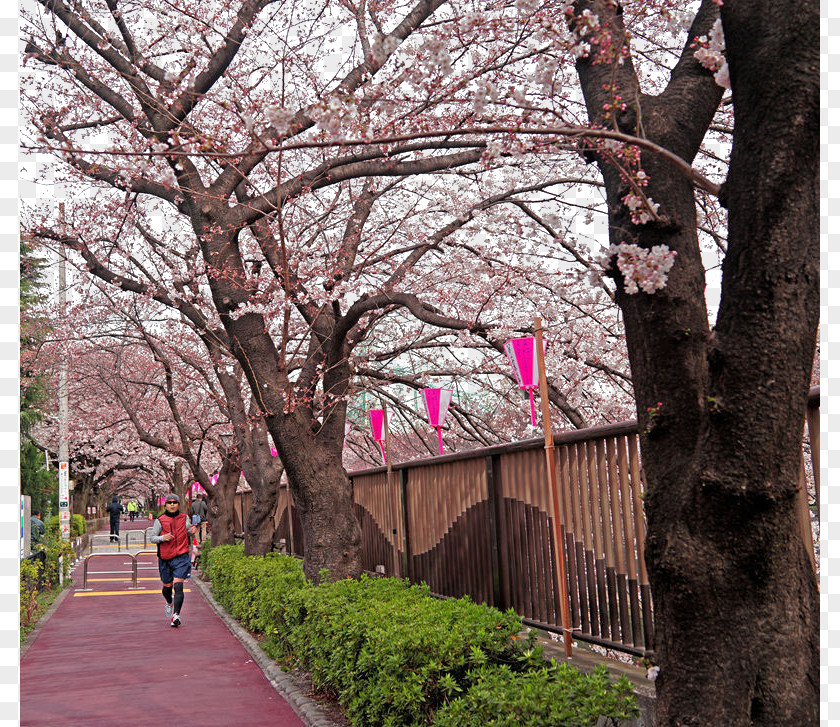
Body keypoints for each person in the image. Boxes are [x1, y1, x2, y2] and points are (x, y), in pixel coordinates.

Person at [149, 493, 197, 627]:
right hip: (165, 558)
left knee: (178, 585)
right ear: (166, 505)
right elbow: (152, 538)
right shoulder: (160, 520)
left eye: (174, 502)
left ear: (178, 504)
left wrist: (192, 530)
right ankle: (169, 602)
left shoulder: (184, 517)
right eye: (169, 503)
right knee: (167, 588)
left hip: (181, 556)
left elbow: (188, 530)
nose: (172, 505)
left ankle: (176, 615)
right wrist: (162, 538)